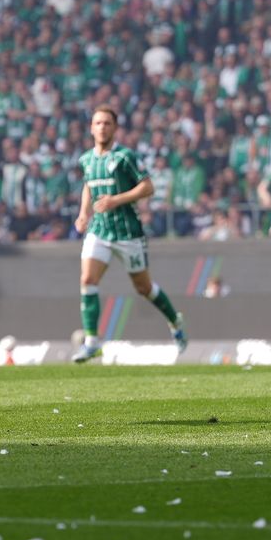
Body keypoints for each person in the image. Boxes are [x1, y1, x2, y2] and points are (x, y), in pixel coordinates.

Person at [71, 107, 186, 363]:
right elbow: (89, 186)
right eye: (98, 123)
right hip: (99, 229)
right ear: (91, 128)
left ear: (115, 128)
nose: (102, 127)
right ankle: (92, 342)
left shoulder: (125, 157)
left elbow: (148, 187)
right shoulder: (86, 159)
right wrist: (83, 213)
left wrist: (116, 200)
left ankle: (175, 321)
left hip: (127, 232)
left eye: (107, 123)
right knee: (88, 279)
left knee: (143, 288)